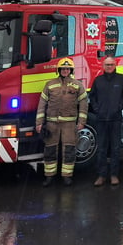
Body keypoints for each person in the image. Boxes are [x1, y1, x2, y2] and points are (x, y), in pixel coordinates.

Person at [35, 57, 88, 187]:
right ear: (58, 70)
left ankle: (67, 176)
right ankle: (49, 177)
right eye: (63, 69)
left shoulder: (77, 85)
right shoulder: (50, 84)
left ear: (71, 70)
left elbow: (83, 104)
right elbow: (42, 104)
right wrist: (39, 122)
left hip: (69, 124)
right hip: (51, 124)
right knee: (50, 150)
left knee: (69, 150)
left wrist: (81, 121)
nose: (65, 71)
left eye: (67, 69)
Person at [90, 56, 123, 186]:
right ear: (103, 66)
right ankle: (101, 176)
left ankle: (114, 175)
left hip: (115, 119)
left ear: (115, 65)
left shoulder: (121, 79)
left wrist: (118, 107)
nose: (109, 67)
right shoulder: (98, 80)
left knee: (115, 148)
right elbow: (92, 97)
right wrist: (97, 109)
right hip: (101, 119)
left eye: (111, 64)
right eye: (107, 65)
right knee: (101, 148)